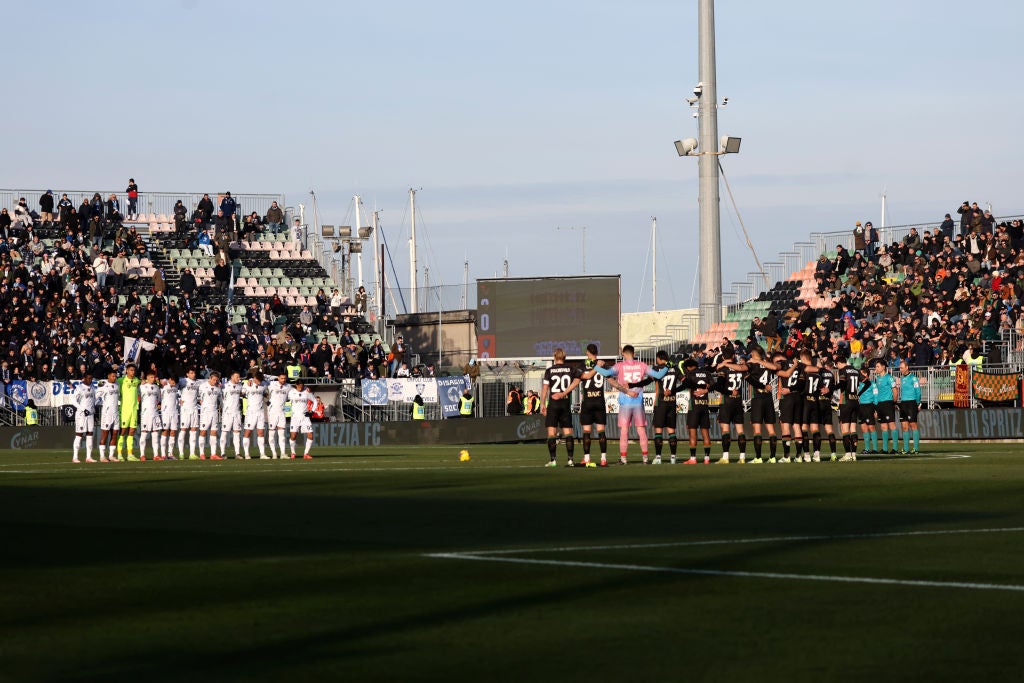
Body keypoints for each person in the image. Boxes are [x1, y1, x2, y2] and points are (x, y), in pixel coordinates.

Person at [593, 344, 665, 465]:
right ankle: (645, 458)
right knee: (641, 430)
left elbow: (606, 373)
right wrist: (667, 367)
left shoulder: (620, 366)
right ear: (634, 353)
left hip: (625, 402)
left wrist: (594, 366)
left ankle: (623, 458)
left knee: (624, 431)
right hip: (638, 402)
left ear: (623, 354)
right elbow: (658, 375)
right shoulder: (642, 365)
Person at [631, 350, 684, 465]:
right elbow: (685, 382)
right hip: (672, 402)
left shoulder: (656, 369)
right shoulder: (675, 368)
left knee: (658, 431)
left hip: (661, 403)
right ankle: (673, 458)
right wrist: (673, 391)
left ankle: (658, 458)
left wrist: (633, 385)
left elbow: (648, 381)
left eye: (657, 359)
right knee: (671, 431)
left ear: (659, 358)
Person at [539, 348, 581, 467]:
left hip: (553, 403)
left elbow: (545, 388)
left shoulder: (549, 370)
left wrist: (542, 403)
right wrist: (565, 392)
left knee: (551, 433)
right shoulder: (571, 369)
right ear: (564, 357)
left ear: (554, 357)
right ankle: (570, 460)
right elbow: (577, 380)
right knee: (568, 432)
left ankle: (553, 460)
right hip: (565, 403)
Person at [715, 344, 749, 464]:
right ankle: (742, 457)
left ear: (723, 357)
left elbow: (719, 386)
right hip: (738, 401)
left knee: (725, 430)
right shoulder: (740, 367)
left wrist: (729, 391)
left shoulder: (723, 369)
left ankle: (725, 457)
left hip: (727, 401)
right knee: (740, 430)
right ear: (734, 356)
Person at [578, 344, 611, 466]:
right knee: (601, 431)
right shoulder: (602, 364)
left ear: (587, 352)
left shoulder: (583, 365)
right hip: (599, 401)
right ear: (597, 352)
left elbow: (583, 377)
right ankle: (603, 459)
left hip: (587, 402)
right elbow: (610, 377)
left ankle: (587, 459)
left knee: (587, 431)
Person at [745, 346, 779, 463]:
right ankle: (773, 457)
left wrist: (753, 362)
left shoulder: (752, 364)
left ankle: (758, 458)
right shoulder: (767, 363)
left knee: (757, 430)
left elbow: (747, 376)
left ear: (754, 354)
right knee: (771, 430)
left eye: (751, 354)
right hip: (768, 398)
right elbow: (775, 367)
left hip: (757, 398)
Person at [775, 352, 804, 464]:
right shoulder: (800, 366)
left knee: (785, 426)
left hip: (787, 398)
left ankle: (786, 457)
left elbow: (785, 374)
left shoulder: (782, 364)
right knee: (797, 426)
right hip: (798, 397)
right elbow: (801, 383)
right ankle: (798, 456)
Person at [836, 354, 861, 462]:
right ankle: (854, 454)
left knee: (845, 429)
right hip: (855, 401)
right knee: (854, 429)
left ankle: (847, 454)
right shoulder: (856, 370)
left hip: (846, 401)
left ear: (839, 363)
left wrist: (832, 388)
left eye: (837, 365)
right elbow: (867, 382)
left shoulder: (843, 370)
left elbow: (842, 384)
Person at [872, 359, 898, 455]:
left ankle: (895, 448)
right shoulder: (877, 378)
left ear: (883, 367)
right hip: (880, 404)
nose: (876, 368)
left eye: (878, 366)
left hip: (888, 403)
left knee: (892, 425)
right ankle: (885, 449)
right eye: (876, 366)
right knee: (883, 426)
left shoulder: (889, 378)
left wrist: (893, 402)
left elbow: (895, 390)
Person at [96, 371, 121, 462]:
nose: (114, 378)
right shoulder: (103, 384)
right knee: (105, 434)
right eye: (112, 376)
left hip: (116, 413)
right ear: (108, 376)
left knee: (115, 434)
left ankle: (111, 456)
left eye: (115, 376)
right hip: (107, 413)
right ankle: (102, 456)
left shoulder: (117, 384)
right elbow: (96, 396)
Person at [897, 361, 922, 455]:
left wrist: (918, 403)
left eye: (902, 368)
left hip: (912, 403)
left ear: (907, 367)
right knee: (904, 426)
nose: (901, 369)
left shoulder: (913, 378)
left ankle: (915, 448)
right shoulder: (902, 378)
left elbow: (918, 391)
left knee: (913, 425)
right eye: (900, 368)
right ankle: (906, 448)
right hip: (903, 403)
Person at [242, 373, 269, 460]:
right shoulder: (247, 384)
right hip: (250, 412)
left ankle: (262, 454)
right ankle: (246, 454)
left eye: (260, 381)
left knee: (261, 433)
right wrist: (248, 381)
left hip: (260, 412)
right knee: (248, 432)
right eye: (257, 381)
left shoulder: (264, 384)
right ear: (254, 378)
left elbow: (266, 391)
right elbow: (241, 394)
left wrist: (266, 396)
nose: (258, 383)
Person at [118, 364, 141, 461]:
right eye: (131, 370)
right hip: (124, 410)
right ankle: (119, 454)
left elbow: (143, 382)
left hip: (134, 410)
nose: (133, 372)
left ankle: (130, 454)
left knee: (132, 432)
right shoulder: (121, 380)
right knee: (123, 431)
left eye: (134, 370)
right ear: (127, 370)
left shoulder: (137, 380)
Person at [198, 372, 223, 460]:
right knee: (203, 432)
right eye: (213, 380)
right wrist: (200, 401)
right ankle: (202, 454)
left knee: (214, 432)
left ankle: (213, 454)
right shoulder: (203, 386)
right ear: (210, 378)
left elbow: (220, 399)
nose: (215, 381)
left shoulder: (218, 388)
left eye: (217, 380)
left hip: (215, 412)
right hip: (205, 412)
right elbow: (198, 397)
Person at [72, 373, 97, 463]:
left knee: (90, 434)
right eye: (89, 378)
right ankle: (75, 457)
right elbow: (73, 401)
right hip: (81, 415)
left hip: (90, 414)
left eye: (91, 378)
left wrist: (94, 408)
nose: (90, 380)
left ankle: (88, 457)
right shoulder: (79, 388)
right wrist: (83, 409)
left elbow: (93, 400)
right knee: (79, 434)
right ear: (84, 379)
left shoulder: (93, 388)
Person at [288, 380, 315, 459]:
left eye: (302, 386)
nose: (300, 387)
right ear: (296, 385)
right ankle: (293, 453)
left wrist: (311, 412)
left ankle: (306, 453)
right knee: (293, 436)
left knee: (310, 435)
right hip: (295, 417)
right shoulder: (291, 392)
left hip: (305, 417)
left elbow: (315, 401)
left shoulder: (307, 391)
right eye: (299, 386)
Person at [139, 372, 163, 461]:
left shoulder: (157, 388)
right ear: (147, 377)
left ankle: (156, 455)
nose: (153, 379)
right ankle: (142, 455)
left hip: (155, 413)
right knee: (144, 434)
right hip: (145, 414)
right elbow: (138, 398)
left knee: (155, 434)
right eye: (151, 377)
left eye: (154, 377)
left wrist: (158, 406)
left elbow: (159, 401)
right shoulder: (142, 387)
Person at [220, 371, 244, 459]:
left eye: (239, 377)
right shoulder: (225, 386)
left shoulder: (240, 386)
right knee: (224, 432)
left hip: (237, 412)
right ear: (232, 377)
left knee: (237, 432)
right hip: (227, 413)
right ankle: (223, 453)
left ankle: (237, 453)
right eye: (237, 377)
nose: (239, 378)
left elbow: (243, 393)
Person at [267, 373, 291, 459]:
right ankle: (274, 453)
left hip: (282, 412)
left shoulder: (288, 386)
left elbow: (295, 392)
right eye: (281, 378)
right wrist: (250, 381)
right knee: (272, 434)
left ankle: (283, 453)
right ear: (278, 378)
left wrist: (305, 389)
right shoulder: (272, 384)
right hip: (272, 412)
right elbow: (262, 380)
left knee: (282, 435)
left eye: (284, 378)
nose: (283, 380)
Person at [178, 368, 201, 460]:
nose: (193, 374)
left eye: (194, 372)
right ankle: (181, 453)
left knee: (193, 430)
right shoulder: (183, 381)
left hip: (194, 408)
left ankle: (192, 454)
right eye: (191, 373)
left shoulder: (198, 383)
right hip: (185, 409)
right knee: (183, 430)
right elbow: (172, 382)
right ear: (187, 374)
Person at [858, 367, 878, 455]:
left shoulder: (872, 384)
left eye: (861, 374)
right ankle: (867, 448)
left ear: (866, 374)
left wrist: (876, 410)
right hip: (861, 407)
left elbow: (876, 396)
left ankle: (875, 449)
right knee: (864, 428)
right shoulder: (858, 384)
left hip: (869, 406)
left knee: (871, 427)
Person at [160, 376, 180, 461]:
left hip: (174, 412)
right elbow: (159, 381)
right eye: (173, 382)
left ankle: (170, 453)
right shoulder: (164, 385)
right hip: (165, 412)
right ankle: (163, 454)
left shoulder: (177, 386)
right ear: (170, 379)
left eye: (175, 383)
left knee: (173, 432)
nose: (174, 384)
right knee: (165, 431)